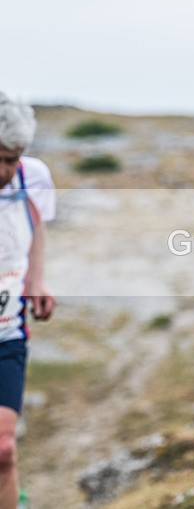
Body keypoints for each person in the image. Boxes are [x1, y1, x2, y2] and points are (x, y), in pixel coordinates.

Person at [0, 93, 56, 509]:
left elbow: (36, 228)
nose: (7, 171)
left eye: (13, 158)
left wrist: (36, 280)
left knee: (4, 449)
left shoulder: (32, 178)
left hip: (8, 332)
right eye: (0, 159)